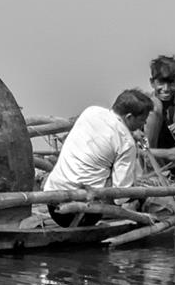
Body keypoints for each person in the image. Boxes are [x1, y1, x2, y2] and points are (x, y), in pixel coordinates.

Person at [42, 88, 153, 227]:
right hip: (82, 214)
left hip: (52, 203)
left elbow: (107, 132)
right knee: (129, 188)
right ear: (129, 117)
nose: (143, 125)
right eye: (142, 120)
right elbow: (121, 196)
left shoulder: (91, 111)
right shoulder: (127, 143)